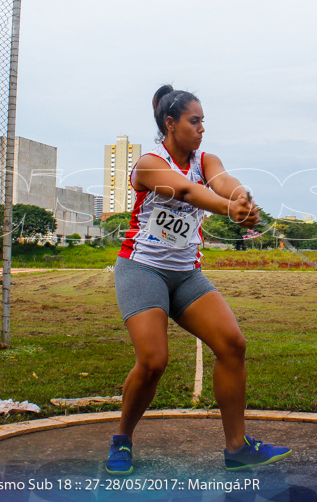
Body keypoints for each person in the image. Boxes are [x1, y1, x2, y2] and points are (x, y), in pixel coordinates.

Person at [105, 85, 292, 475]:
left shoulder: (205, 159)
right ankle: (121, 439)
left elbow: (222, 179)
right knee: (154, 361)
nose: (202, 128)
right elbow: (188, 192)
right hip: (142, 269)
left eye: (204, 120)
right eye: (195, 120)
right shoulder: (149, 164)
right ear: (171, 124)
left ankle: (237, 448)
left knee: (232, 343)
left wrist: (241, 197)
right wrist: (229, 210)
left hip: (187, 274)